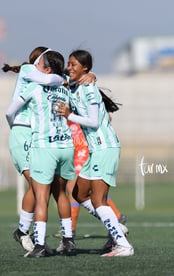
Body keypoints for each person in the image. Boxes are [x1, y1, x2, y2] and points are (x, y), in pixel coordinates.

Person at [56, 49, 134, 257]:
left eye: (74, 64)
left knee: (99, 200)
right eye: (69, 64)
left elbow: (94, 121)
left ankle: (123, 244)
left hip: (105, 148)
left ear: (85, 69)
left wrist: (69, 114)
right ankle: (117, 228)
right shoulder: (74, 84)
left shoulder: (88, 88)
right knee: (79, 194)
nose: (69, 67)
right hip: (94, 151)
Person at [6, 50, 76, 258]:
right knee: (54, 191)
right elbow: (58, 79)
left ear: (45, 67)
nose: (34, 66)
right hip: (60, 144)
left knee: (42, 192)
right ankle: (65, 239)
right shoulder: (61, 87)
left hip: (43, 143)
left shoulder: (37, 86)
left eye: (39, 63)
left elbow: (10, 110)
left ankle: (37, 242)